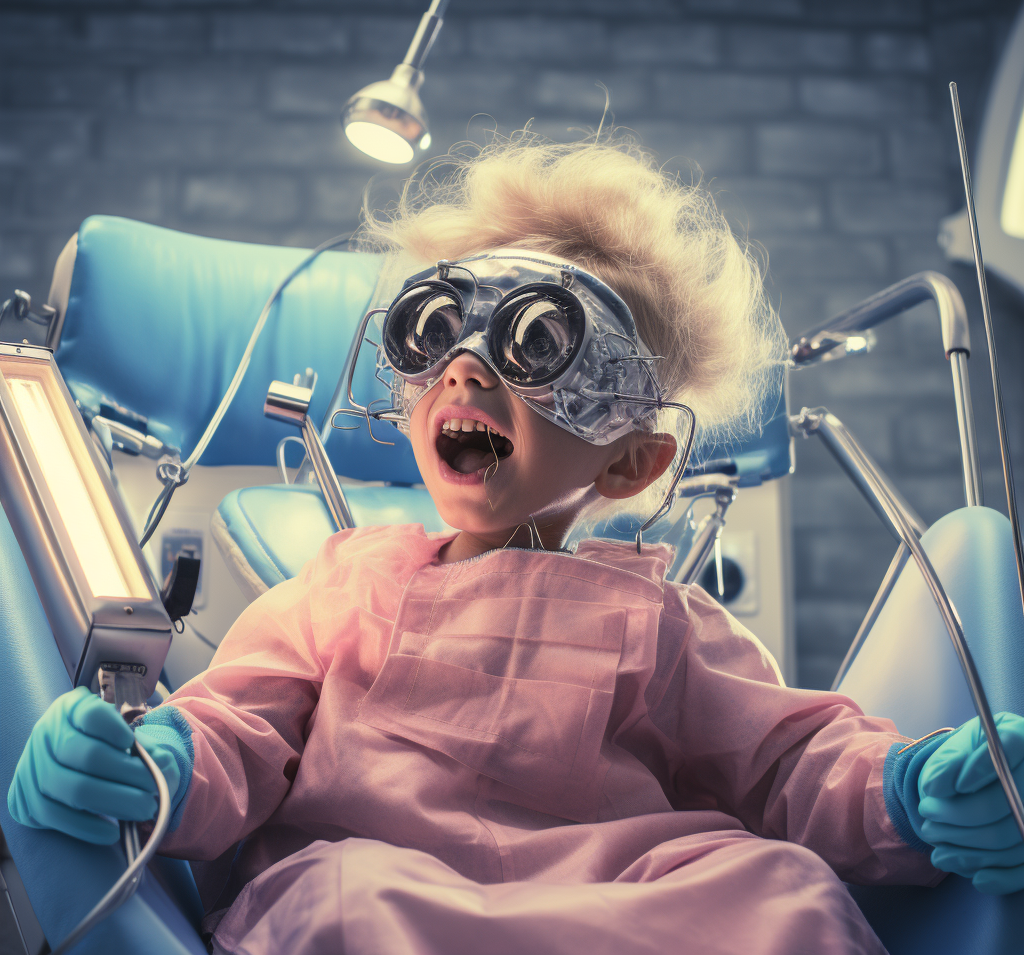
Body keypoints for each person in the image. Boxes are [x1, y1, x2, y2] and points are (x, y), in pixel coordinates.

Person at [9, 132, 1024, 955]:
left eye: (537, 340)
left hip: (634, 891)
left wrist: (914, 787)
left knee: (784, 889)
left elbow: (794, 759)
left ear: (628, 462)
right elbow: (243, 725)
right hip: (384, 876)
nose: (461, 365)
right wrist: (155, 764)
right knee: (337, 899)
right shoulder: (342, 586)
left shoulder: (668, 622)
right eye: (436, 328)